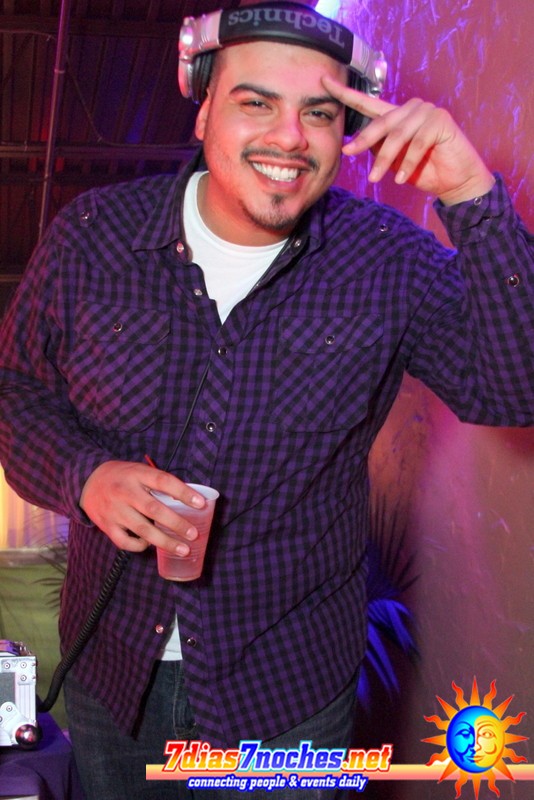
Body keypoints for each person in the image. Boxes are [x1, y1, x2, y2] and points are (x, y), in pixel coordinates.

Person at [0, 2, 532, 798]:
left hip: (286, 694)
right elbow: (14, 391)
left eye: (319, 113)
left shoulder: (387, 260)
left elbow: (516, 388)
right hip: (114, 675)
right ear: (202, 105)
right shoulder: (92, 237)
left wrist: (472, 197)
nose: (290, 138)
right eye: (256, 102)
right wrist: (86, 476)